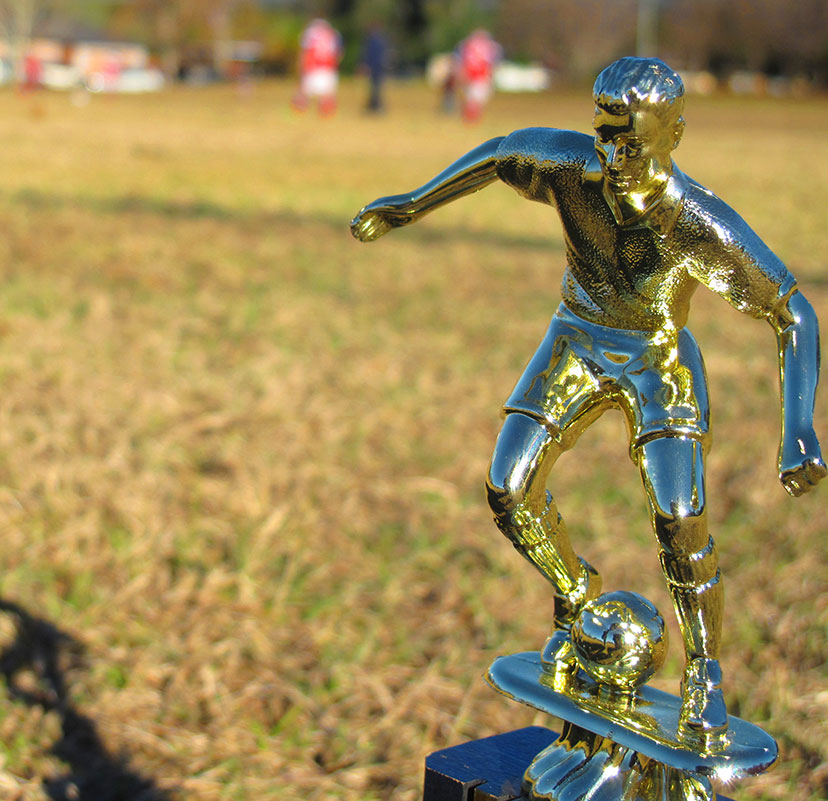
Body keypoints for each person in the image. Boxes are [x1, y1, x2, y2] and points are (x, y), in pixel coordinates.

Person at [351, 57, 824, 746]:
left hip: (660, 358)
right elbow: (497, 153)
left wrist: (799, 426)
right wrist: (410, 204)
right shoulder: (571, 171)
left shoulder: (698, 223)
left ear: (674, 136)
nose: (612, 156)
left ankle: (705, 668)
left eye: (630, 143)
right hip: (575, 339)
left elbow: (794, 313)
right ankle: (576, 595)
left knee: (680, 516)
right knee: (508, 489)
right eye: (603, 136)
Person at [293, 18, 343, 117]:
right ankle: (325, 115)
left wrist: (301, 65)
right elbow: (338, 53)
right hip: (328, 67)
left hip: (313, 66)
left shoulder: (310, 33)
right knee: (327, 95)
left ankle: (298, 112)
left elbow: (305, 51)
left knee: (304, 92)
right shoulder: (333, 34)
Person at [455, 29, 501, 122]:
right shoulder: (490, 46)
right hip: (480, 76)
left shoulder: (467, 45)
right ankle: (471, 118)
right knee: (475, 100)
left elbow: (461, 61)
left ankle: (471, 117)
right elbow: (492, 63)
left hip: (473, 76)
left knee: (473, 99)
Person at [361, 23, 388, 113]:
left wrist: (366, 65)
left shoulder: (371, 41)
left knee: (374, 88)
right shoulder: (381, 40)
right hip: (379, 68)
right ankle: (375, 105)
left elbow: (368, 55)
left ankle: (375, 105)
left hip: (375, 68)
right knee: (377, 88)